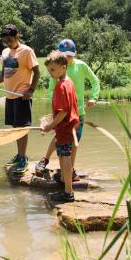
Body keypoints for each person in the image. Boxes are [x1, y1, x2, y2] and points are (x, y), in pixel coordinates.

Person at [35, 39, 100, 180]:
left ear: (75, 53)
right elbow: (52, 90)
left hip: (78, 113)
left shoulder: (81, 66)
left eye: (70, 54)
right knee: (59, 137)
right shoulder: (56, 68)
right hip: (62, 111)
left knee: (74, 140)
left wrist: (93, 97)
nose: (68, 57)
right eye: (65, 54)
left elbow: (95, 81)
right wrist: (61, 102)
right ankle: (45, 159)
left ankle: (70, 170)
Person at [0, 24, 40, 174]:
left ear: (18, 36)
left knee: (22, 128)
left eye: (10, 40)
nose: (8, 43)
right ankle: (19, 155)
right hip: (9, 96)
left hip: (22, 96)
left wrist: (30, 91)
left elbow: (37, 73)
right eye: (5, 41)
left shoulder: (27, 51)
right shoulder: (5, 52)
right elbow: (4, 74)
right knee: (15, 127)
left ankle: (23, 158)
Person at [42, 50, 80, 202]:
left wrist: (50, 126)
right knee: (64, 155)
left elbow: (63, 111)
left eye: (53, 69)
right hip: (70, 126)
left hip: (65, 127)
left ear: (63, 67)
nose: (50, 73)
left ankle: (68, 193)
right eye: (49, 70)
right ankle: (64, 181)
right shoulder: (69, 82)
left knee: (65, 158)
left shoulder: (61, 86)